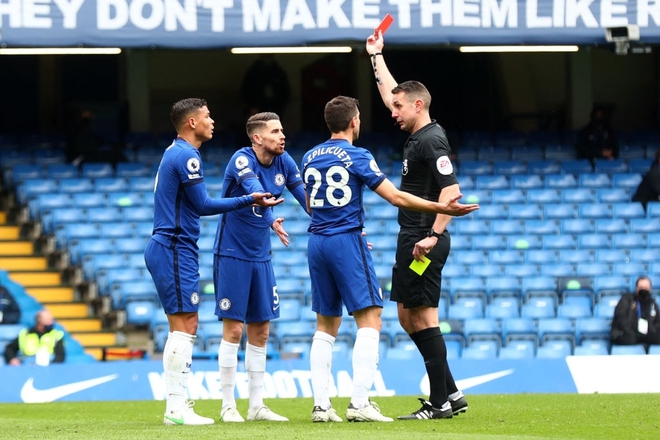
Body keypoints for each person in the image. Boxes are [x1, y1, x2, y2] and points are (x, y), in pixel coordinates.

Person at [303, 96, 479, 423]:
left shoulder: (310, 157)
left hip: (316, 242)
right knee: (370, 320)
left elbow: (311, 205)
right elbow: (396, 196)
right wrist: (442, 209)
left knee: (325, 326)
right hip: (345, 240)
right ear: (354, 121)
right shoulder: (357, 155)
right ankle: (359, 404)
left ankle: (321, 407)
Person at [144, 98, 282, 426]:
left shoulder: (173, 152)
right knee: (185, 325)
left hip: (173, 246)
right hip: (174, 246)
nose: (212, 121)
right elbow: (203, 205)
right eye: (207, 116)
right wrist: (249, 198)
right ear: (191, 122)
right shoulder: (187, 156)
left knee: (183, 324)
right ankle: (176, 407)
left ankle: (177, 404)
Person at [366, 31, 471, 420]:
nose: (392, 111)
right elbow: (394, 92)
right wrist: (376, 58)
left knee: (422, 318)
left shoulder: (431, 141)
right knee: (408, 316)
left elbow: (452, 192)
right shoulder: (417, 133)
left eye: (398, 107)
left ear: (419, 105)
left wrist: (433, 235)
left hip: (422, 239)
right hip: (412, 237)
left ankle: (441, 401)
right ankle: (452, 393)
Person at [213, 112, 308, 423]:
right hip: (232, 253)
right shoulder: (241, 160)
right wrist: (270, 219)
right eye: (275, 131)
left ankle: (256, 406)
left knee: (262, 331)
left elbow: (307, 199)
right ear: (257, 138)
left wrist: (340, 222)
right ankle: (228, 405)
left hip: (261, 256)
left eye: (282, 130)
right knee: (234, 329)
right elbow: (256, 192)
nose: (283, 136)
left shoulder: (285, 162)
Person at [610, 276, 660, 352]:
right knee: (630, 339)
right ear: (636, 288)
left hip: (645, 334)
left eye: (646, 287)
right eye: (641, 287)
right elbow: (621, 319)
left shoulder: (653, 304)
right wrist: (631, 331)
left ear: (650, 289)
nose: (644, 289)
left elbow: (657, 322)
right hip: (627, 333)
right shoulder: (626, 299)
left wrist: (651, 330)